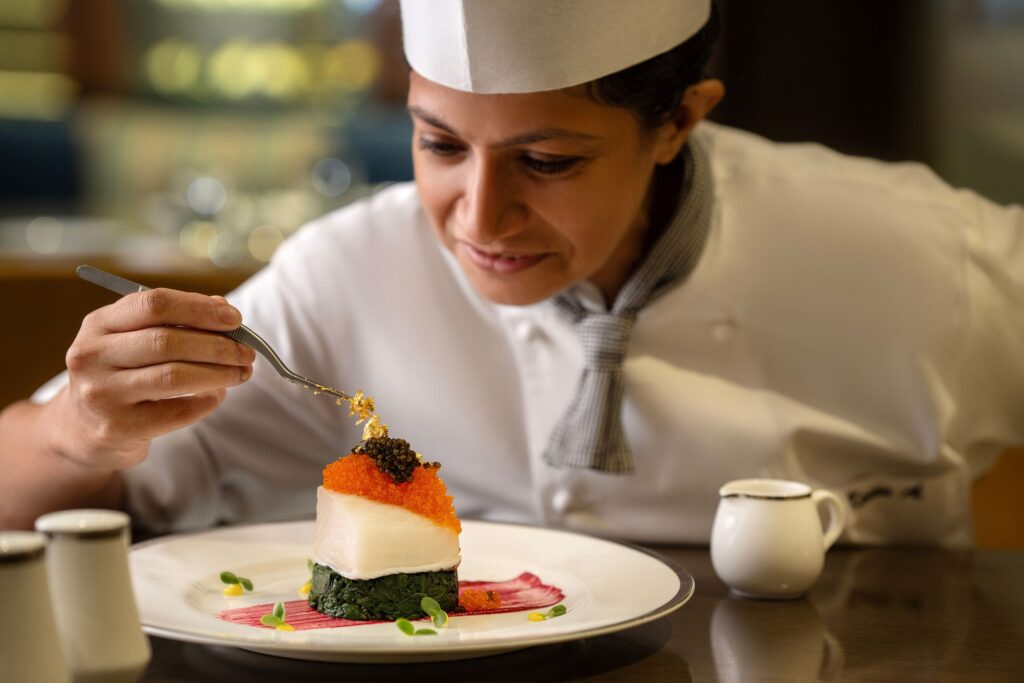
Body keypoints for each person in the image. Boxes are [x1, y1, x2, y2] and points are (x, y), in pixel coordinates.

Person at [1, 0, 1021, 547]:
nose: (478, 218)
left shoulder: (926, 257)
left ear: (679, 121)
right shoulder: (348, 271)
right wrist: (79, 428)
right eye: (439, 145)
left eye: (546, 161)